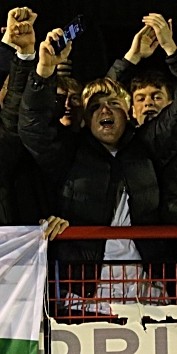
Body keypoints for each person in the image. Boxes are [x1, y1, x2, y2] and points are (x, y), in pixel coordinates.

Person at [19, 28, 177, 313]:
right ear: (87, 119)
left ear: (128, 113)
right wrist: (44, 71)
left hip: (149, 288)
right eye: (95, 107)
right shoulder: (69, 152)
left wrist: (172, 52)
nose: (105, 110)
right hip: (85, 291)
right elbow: (32, 127)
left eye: (114, 104)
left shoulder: (147, 146)